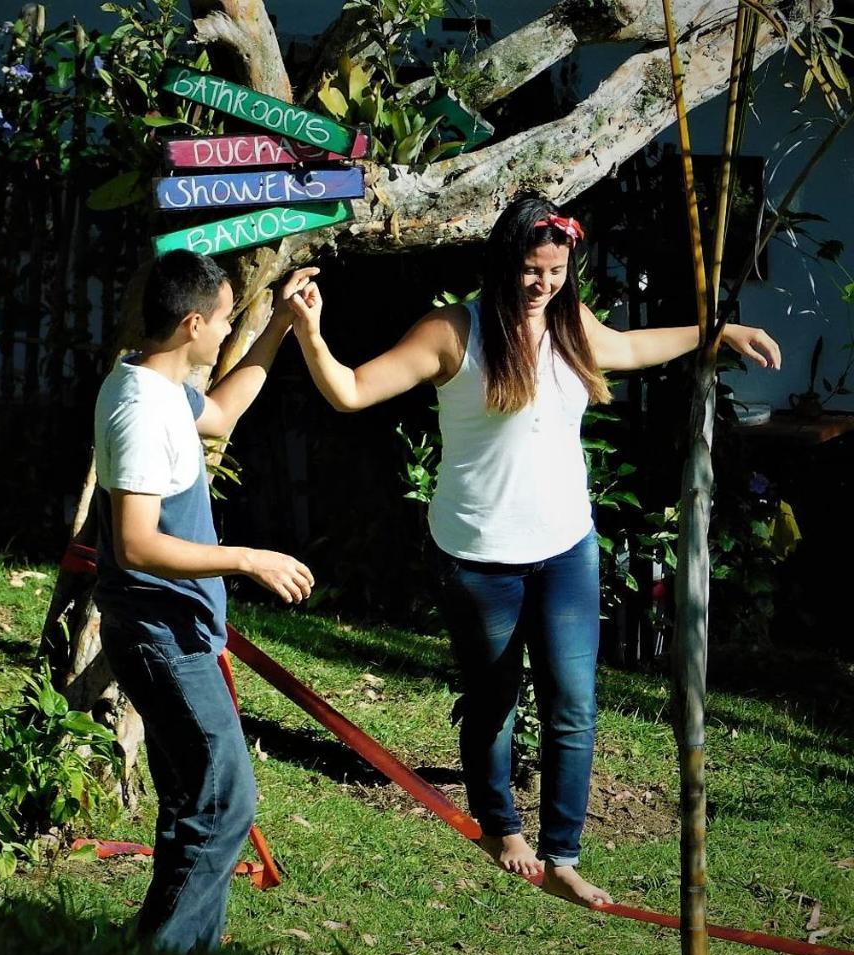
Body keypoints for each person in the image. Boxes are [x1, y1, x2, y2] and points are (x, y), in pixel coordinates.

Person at [286, 194, 781, 906]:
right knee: (494, 701)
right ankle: (500, 827)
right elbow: (353, 391)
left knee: (574, 703)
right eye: (529, 270)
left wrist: (718, 331)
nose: (541, 283)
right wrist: (310, 330)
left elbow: (635, 347)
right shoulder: (454, 333)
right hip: (479, 555)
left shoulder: (570, 327)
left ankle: (564, 853)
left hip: (566, 546)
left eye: (554, 270)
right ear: (502, 264)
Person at [93, 249, 317, 952]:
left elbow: (219, 414)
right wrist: (246, 558)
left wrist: (279, 324)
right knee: (225, 803)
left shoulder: (160, 385)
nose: (227, 334)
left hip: (177, 629)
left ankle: (177, 946)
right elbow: (136, 543)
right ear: (193, 323)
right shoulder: (138, 410)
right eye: (224, 322)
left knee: (196, 804)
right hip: (161, 634)